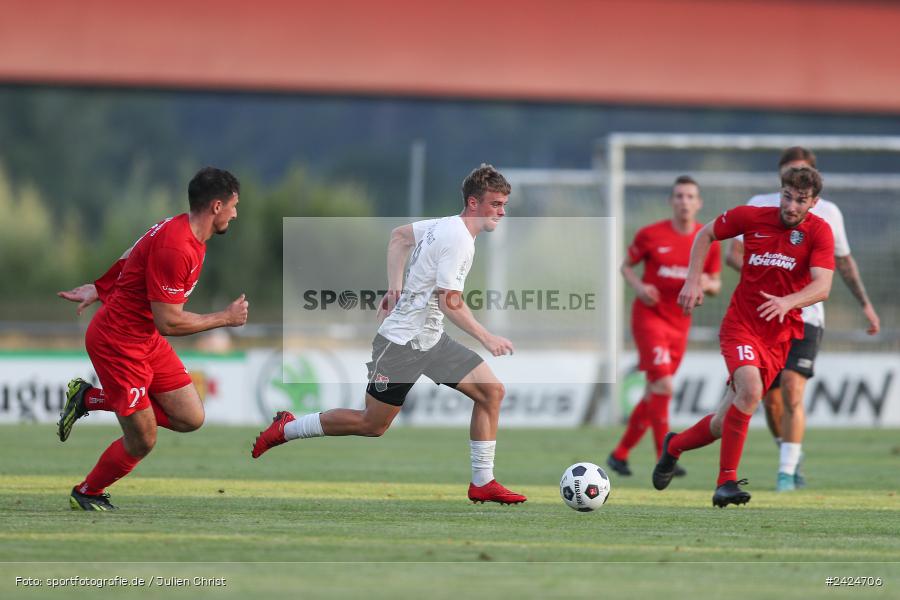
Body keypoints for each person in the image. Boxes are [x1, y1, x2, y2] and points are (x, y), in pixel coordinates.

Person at [252, 164, 526, 505]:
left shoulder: (445, 225)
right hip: (401, 345)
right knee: (372, 424)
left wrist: (394, 289)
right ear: (473, 203)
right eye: (496, 204)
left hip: (430, 339)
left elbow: (399, 236)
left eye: (503, 205)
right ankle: (287, 428)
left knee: (491, 393)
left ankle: (483, 482)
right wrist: (486, 337)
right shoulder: (459, 239)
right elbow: (450, 301)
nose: (501, 212)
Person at [57, 167, 248, 511]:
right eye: (234, 205)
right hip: (118, 344)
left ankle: (89, 399)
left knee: (191, 417)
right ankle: (86, 491)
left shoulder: (180, 230)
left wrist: (99, 287)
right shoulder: (177, 247)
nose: (236, 213)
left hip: (143, 339)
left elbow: (132, 254)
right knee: (142, 438)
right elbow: (169, 322)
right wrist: (225, 318)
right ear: (217, 206)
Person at [652, 165, 835, 507]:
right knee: (750, 391)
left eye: (801, 200)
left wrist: (788, 301)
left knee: (724, 421)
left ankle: (674, 446)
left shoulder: (820, 232)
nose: (792, 206)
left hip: (779, 338)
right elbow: (705, 233)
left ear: (813, 202)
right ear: (779, 192)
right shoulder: (751, 217)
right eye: (787, 196)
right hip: (741, 325)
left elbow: (823, 286)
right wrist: (692, 279)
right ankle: (726, 483)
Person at [726, 147, 881, 491]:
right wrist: (765, 272)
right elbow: (732, 253)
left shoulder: (827, 214)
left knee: (794, 389)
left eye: (803, 174)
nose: (796, 183)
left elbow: (843, 262)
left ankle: (786, 473)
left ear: (813, 184)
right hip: (762, 316)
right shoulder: (761, 204)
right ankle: (789, 452)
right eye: (790, 173)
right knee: (771, 399)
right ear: (781, 176)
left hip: (806, 316)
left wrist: (865, 305)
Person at [606, 176, 721, 478]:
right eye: (679, 196)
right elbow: (625, 266)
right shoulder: (651, 235)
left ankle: (619, 454)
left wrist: (707, 283)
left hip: (680, 323)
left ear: (699, 203)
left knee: (654, 393)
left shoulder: (706, 238)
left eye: (690, 196)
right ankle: (664, 457)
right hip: (649, 318)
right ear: (671, 201)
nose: (684, 201)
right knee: (664, 386)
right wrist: (640, 286)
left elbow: (716, 283)